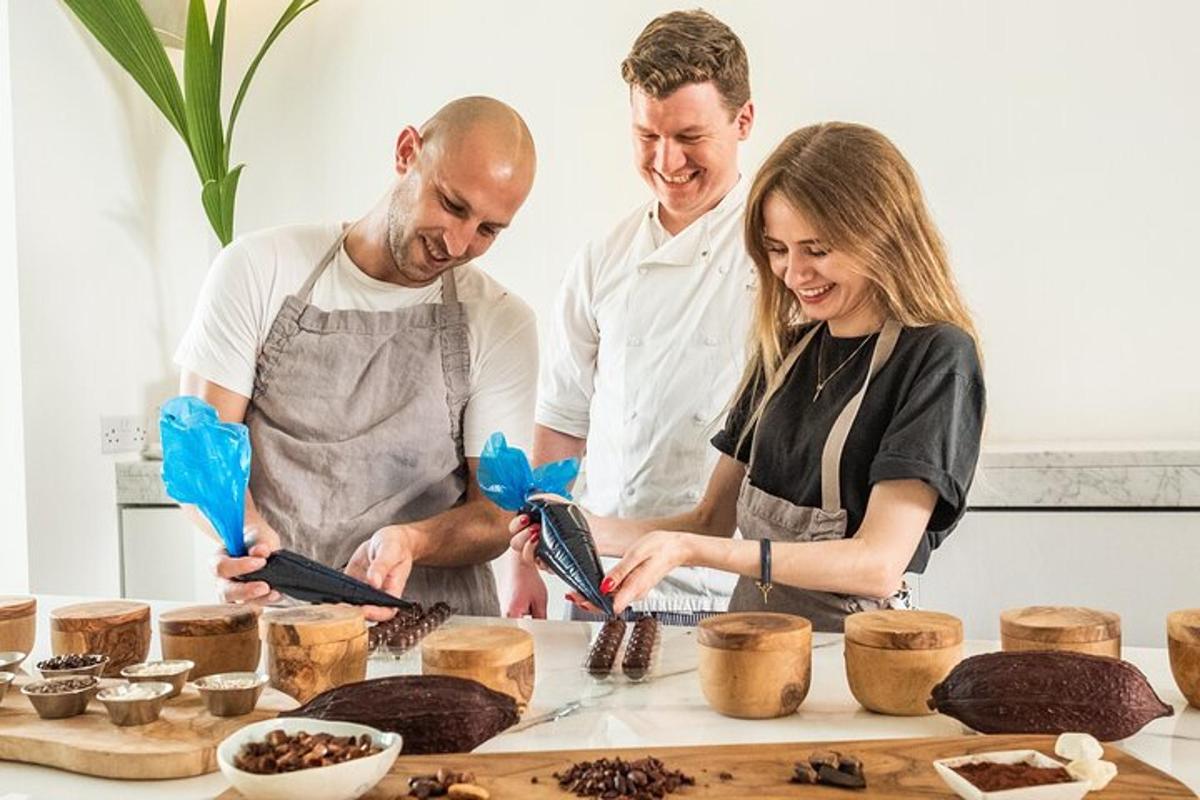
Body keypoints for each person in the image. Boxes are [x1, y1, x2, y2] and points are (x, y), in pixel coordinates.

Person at [513, 122, 986, 632]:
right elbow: (709, 520)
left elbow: (877, 564)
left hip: (849, 649)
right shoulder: (782, 355)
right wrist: (581, 531)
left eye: (818, 249)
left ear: (880, 234)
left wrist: (691, 550)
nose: (794, 273)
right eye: (778, 249)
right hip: (751, 639)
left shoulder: (936, 358)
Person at [175, 96, 539, 619]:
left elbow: (494, 514)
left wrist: (412, 540)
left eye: (488, 230)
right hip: (284, 620)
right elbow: (200, 450)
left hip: (438, 630)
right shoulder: (257, 270)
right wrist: (244, 531)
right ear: (407, 151)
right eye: (452, 205)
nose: (457, 244)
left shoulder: (501, 321)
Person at [504, 10, 757, 625]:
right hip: (597, 583)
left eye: (690, 136)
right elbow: (562, 424)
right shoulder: (602, 259)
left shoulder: (779, 254)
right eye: (648, 135)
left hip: (729, 596)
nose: (667, 161)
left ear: (743, 120)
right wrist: (521, 566)